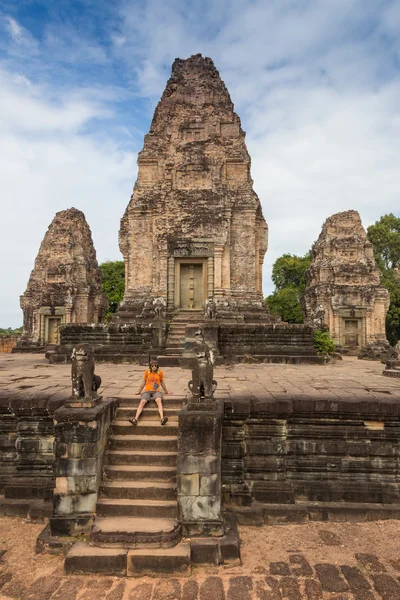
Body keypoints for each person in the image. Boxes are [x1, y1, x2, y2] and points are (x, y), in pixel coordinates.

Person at [129, 359, 171, 426]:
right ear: (150, 367)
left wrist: (166, 391)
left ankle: (162, 419)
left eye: (155, 366)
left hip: (156, 391)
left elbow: (162, 382)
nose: (153, 367)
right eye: (152, 366)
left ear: (157, 366)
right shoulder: (147, 372)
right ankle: (135, 419)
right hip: (147, 391)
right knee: (142, 402)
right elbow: (143, 382)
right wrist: (139, 391)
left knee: (158, 401)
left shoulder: (160, 373)